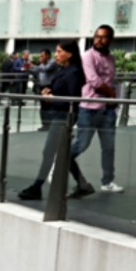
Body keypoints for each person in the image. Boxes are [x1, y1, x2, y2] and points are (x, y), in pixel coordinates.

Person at [19, 40, 86, 201]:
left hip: (64, 117)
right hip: (60, 116)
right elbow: (62, 91)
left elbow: (73, 99)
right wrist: (49, 90)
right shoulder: (66, 70)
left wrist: (52, 98)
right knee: (62, 154)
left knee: (49, 152)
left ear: (69, 53)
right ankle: (82, 184)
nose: (56, 55)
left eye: (59, 51)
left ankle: (37, 187)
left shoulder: (74, 72)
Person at [70, 24, 123, 197]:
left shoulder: (111, 59)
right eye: (97, 36)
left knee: (109, 147)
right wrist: (112, 94)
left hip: (107, 110)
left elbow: (110, 80)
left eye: (104, 37)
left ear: (111, 39)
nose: (99, 40)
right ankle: (60, 163)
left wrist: (112, 99)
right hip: (89, 108)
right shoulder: (88, 56)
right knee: (82, 144)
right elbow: (93, 80)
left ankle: (107, 182)